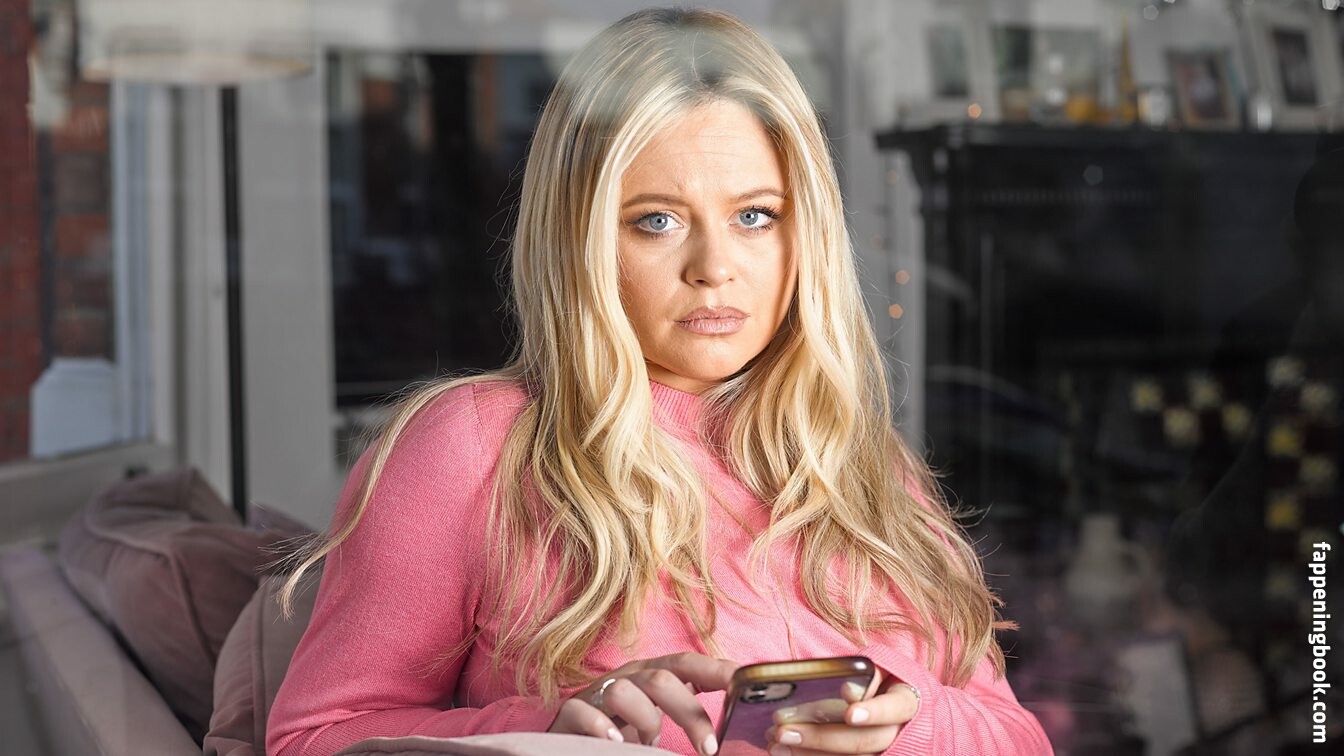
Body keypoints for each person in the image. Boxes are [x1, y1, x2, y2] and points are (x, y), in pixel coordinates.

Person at [265, 8, 1052, 756]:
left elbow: (1019, 738)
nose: (714, 267)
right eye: (657, 220)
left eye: (755, 215)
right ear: (579, 240)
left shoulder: (861, 463)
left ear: (803, 231)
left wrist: (905, 724)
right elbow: (311, 738)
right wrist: (547, 727)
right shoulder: (474, 447)